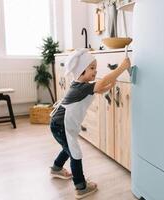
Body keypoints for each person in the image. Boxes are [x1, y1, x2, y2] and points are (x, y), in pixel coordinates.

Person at [49, 48, 131, 199]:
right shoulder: (81, 87)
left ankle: (56, 168)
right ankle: (80, 187)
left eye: (96, 68)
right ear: (81, 71)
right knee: (75, 153)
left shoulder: (81, 85)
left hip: (60, 124)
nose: (95, 71)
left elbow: (101, 88)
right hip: (61, 125)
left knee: (68, 148)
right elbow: (102, 83)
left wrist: (111, 84)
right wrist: (121, 68)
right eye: (92, 68)